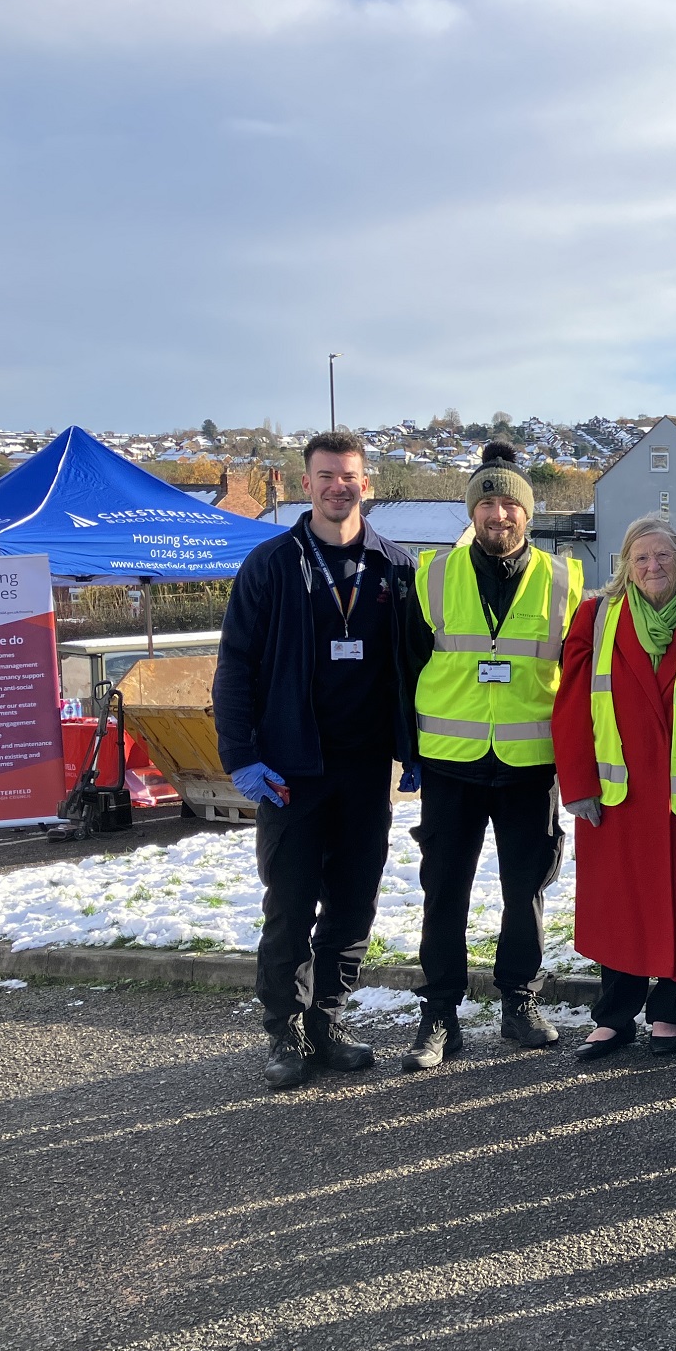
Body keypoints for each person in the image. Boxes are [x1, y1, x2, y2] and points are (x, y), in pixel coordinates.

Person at [212, 431, 415, 1090]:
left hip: (364, 773)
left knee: (353, 906)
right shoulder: (269, 565)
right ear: (308, 485)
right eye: (326, 475)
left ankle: (328, 1019)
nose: (338, 486)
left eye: (349, 475)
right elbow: (234, 668)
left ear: (368, 484)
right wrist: (240, 756)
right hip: (290, 771)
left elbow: (416, 670)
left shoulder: (395, 568)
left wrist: (412, 750)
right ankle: (285, 1032)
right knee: (291, 906)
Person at [399, 441, 585, 1071]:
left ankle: (519, 1001)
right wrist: (408, 752)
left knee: (525, 887)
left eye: (510, 502)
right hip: (451, 761)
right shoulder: (432, 576)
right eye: (486, 501)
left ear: (528, 514)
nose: (498, 513)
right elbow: (404, 668)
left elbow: (582, 677)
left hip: (531, 763)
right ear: (471, 511)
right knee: (443, 888)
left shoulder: (565, 580)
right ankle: (440, 1015)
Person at [553, 515, 676, 1058]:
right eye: (640, 558)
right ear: (625, 567)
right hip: (619, 794)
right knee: (619, 908)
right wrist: (577, 783)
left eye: (663, 555)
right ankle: (615, 1017)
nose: (652, 566)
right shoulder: (596, 619)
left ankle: (672, 1011)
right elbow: (571, 703)